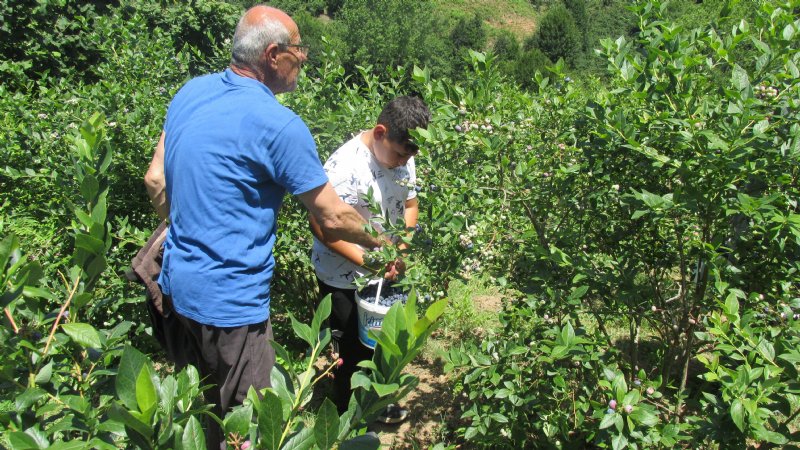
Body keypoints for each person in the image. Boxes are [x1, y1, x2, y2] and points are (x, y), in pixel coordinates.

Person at [143, 5, 385, 448]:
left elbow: (155, 179)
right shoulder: (279, 125)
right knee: (252, 429)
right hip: (232, 307)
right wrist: (383, 244)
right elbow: (330, 215)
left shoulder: (190, 92)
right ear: (274, 55)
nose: (304, 58)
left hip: (175, 286)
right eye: (298, 49)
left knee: (200, 411)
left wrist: (189, 230)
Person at [309, 96, 431, 423]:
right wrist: (370, 262)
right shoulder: (345, 167)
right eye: (399, 154)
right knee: (351, 345)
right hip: (343, 272)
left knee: (382, 339)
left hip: (385, 269)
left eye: (410, 155)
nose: (403, 162)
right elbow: (322, 227)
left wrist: (401, 250)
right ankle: (345, 412)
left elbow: (410, 205)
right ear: (380, 132)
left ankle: (376, 399)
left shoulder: (405, 155)